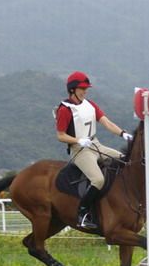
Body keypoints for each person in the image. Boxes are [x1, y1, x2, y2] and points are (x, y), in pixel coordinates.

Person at [55, 71, 133, 229]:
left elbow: (107, 122)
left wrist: (123, 134)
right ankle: (83, 213)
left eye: (86, 88)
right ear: (72, 90)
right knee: (98, 180)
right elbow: (60, 135)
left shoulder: (90, 105)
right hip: (80, 150)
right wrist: (78, 140)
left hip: (96, 144)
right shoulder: (65, 109)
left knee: (126, 161)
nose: (85, 91)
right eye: (82, 88)